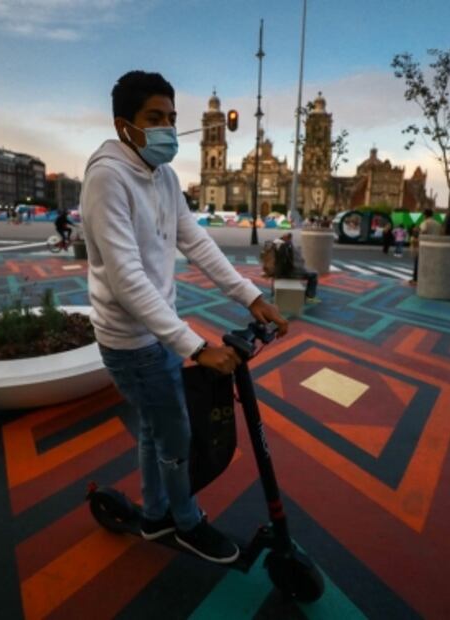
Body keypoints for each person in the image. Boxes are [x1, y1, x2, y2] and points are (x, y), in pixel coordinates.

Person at [81, 70, 288, 565]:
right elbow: (126, 278)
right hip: (131, 343)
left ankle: (155, 515)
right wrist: (195, 347)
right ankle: (186, 522)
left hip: (158, 332)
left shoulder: (164, 176)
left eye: (172, 118)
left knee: (156, 429)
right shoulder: (107, 178)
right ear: (125, 126)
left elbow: (194, 240)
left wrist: (250, 297)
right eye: (155, 118)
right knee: (175, 436)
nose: (168, 129)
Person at [274, 232, 319, 301]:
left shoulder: (275, 244)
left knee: (308, 270)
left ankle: (308, 295)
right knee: (314, 274)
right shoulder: (287, 246)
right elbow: (295, 262)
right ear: (288, 238)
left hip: (279, 272)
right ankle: (310, 296)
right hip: (288, 273)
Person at [412, 209, 441, 283]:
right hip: (435, 246)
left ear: (425, 215)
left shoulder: (425, 222)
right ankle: (430, 278)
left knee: (418, 261)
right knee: (431, 263)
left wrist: (417, 236)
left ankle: (416, 279)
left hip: (425, 246)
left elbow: (423, 232)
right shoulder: (437, 224)